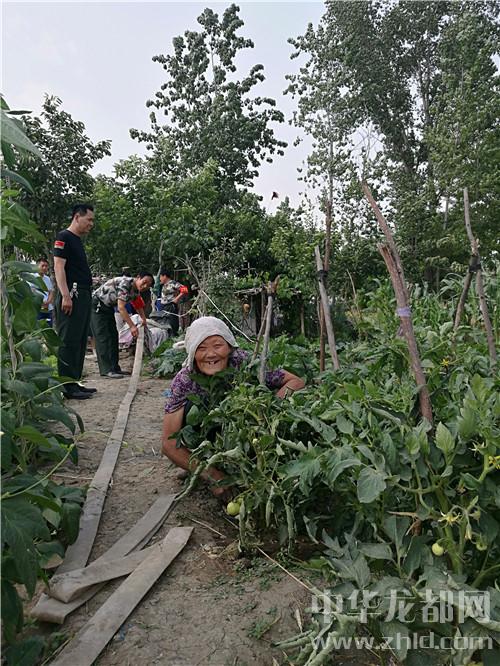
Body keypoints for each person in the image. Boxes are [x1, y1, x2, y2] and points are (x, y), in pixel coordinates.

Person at [162, 316, 305, 500]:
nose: (211, 354)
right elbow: (168, 444)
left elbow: (295, 382)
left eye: (217, 345)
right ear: (191, 352)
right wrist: (212, 475)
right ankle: (202, 462)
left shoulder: (244, 363)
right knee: (192, 409)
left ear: (230, 346)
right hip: (207, 439)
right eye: (201, 348)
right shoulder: (185, 380)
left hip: (248, 434)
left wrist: (271, 408)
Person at [53, 203, 96, 400]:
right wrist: (65, 295)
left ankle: (74, 381)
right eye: (89, 219)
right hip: (72, 294)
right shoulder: (64, 237)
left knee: (79, 339)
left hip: (83, 294)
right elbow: (59, 267)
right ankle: (67, 386)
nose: (91, 224)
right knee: (68, 340)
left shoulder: (77, 240)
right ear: (77, 217)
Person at [91, 271, 154, 378]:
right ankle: (106, 370)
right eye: (144, 282)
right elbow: (121, 308)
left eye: (148, 285)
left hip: (108, 308)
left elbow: (138, 304)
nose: (144, 286)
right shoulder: (126, 284)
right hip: (98, 305)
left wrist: (143, 319)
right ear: (138, 277)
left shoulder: (135, 290)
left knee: (113, 336)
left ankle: (115, 368)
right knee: (103, 337)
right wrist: (132, 326)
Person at [157, 268, 186, 336]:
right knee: (165, 321)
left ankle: (174, 335)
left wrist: (177, 299)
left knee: (172, 321)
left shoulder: (173, 283)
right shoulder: (164, 285)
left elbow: (185, 289)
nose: (160, 279)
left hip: (171, 306)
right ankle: (168, 335)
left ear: (164, 276)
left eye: (160, 277)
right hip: (164, 306)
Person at [32, 258, 54, 326]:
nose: (44, 268)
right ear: (37, 266)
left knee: (48, 327)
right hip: (37, 308)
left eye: (46, 266)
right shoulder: (32, 277)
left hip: (48, 308)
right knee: (38, 328)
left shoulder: (47, 279)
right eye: (42, 266)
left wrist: (48, 301)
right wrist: (41, 302)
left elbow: (51, 292)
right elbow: (31, 291)